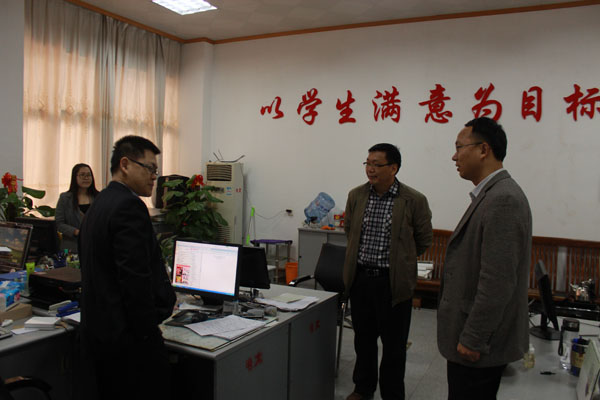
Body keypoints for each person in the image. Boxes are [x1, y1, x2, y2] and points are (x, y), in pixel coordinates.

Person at [437, 117, 532, 400]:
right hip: (475, 337)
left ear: (483, 150)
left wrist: (474, 337)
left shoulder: (503, 199)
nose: (454, 156)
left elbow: (497, 281)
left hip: (480, 345)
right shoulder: (491, 195)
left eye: (459, 147)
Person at [79, 135, 176, 400]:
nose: (154, 177)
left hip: (100, 335)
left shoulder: (100, 203)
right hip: (128, 344)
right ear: (125, 164)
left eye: (156, 170)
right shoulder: (128, 206)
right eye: (150, 168)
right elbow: (135, 280)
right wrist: (149, 335)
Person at [343, 143, 433, 400]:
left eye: (377, 164)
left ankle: (393, 394)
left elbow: (423, 240)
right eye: (368, 163)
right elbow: (350, 231)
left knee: (394, 346)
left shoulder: (413, 200)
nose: (370, 169)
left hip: (393, 283)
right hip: (361, 279)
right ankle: (363, 389)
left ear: (393, 168)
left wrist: (401, 259)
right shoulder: (357, 195)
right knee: (363, 340)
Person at [55, 163, 99, 252]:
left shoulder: (99, 197)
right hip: (71, 247)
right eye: (82, 175)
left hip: (95, 246)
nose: (86, 178)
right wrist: (76, 232)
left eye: (89, 175)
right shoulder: (65, 198)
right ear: (75, 177)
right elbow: (59, 224)